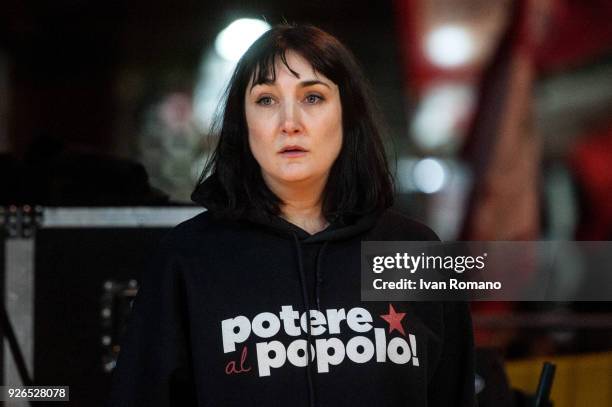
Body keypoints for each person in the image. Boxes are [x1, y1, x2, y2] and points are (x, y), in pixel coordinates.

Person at [107, 24, 475, 407]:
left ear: (347, 115)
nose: (289, 122)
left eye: (313, 97)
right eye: (266, 100)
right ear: (242, 123)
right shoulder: (188, 258)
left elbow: (455, 393)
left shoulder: (413, 252)